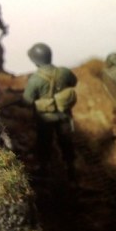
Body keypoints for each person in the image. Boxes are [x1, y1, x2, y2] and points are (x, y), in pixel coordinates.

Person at [22, 43, 77, 180]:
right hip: (64, 115)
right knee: (66, 142)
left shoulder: (34, 79)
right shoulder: (64, 72)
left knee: (43, 143)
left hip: (45, 118)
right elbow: (73, 82)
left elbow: (27, 101)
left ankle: (43, 168)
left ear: (35, 60)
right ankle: (71, 168)